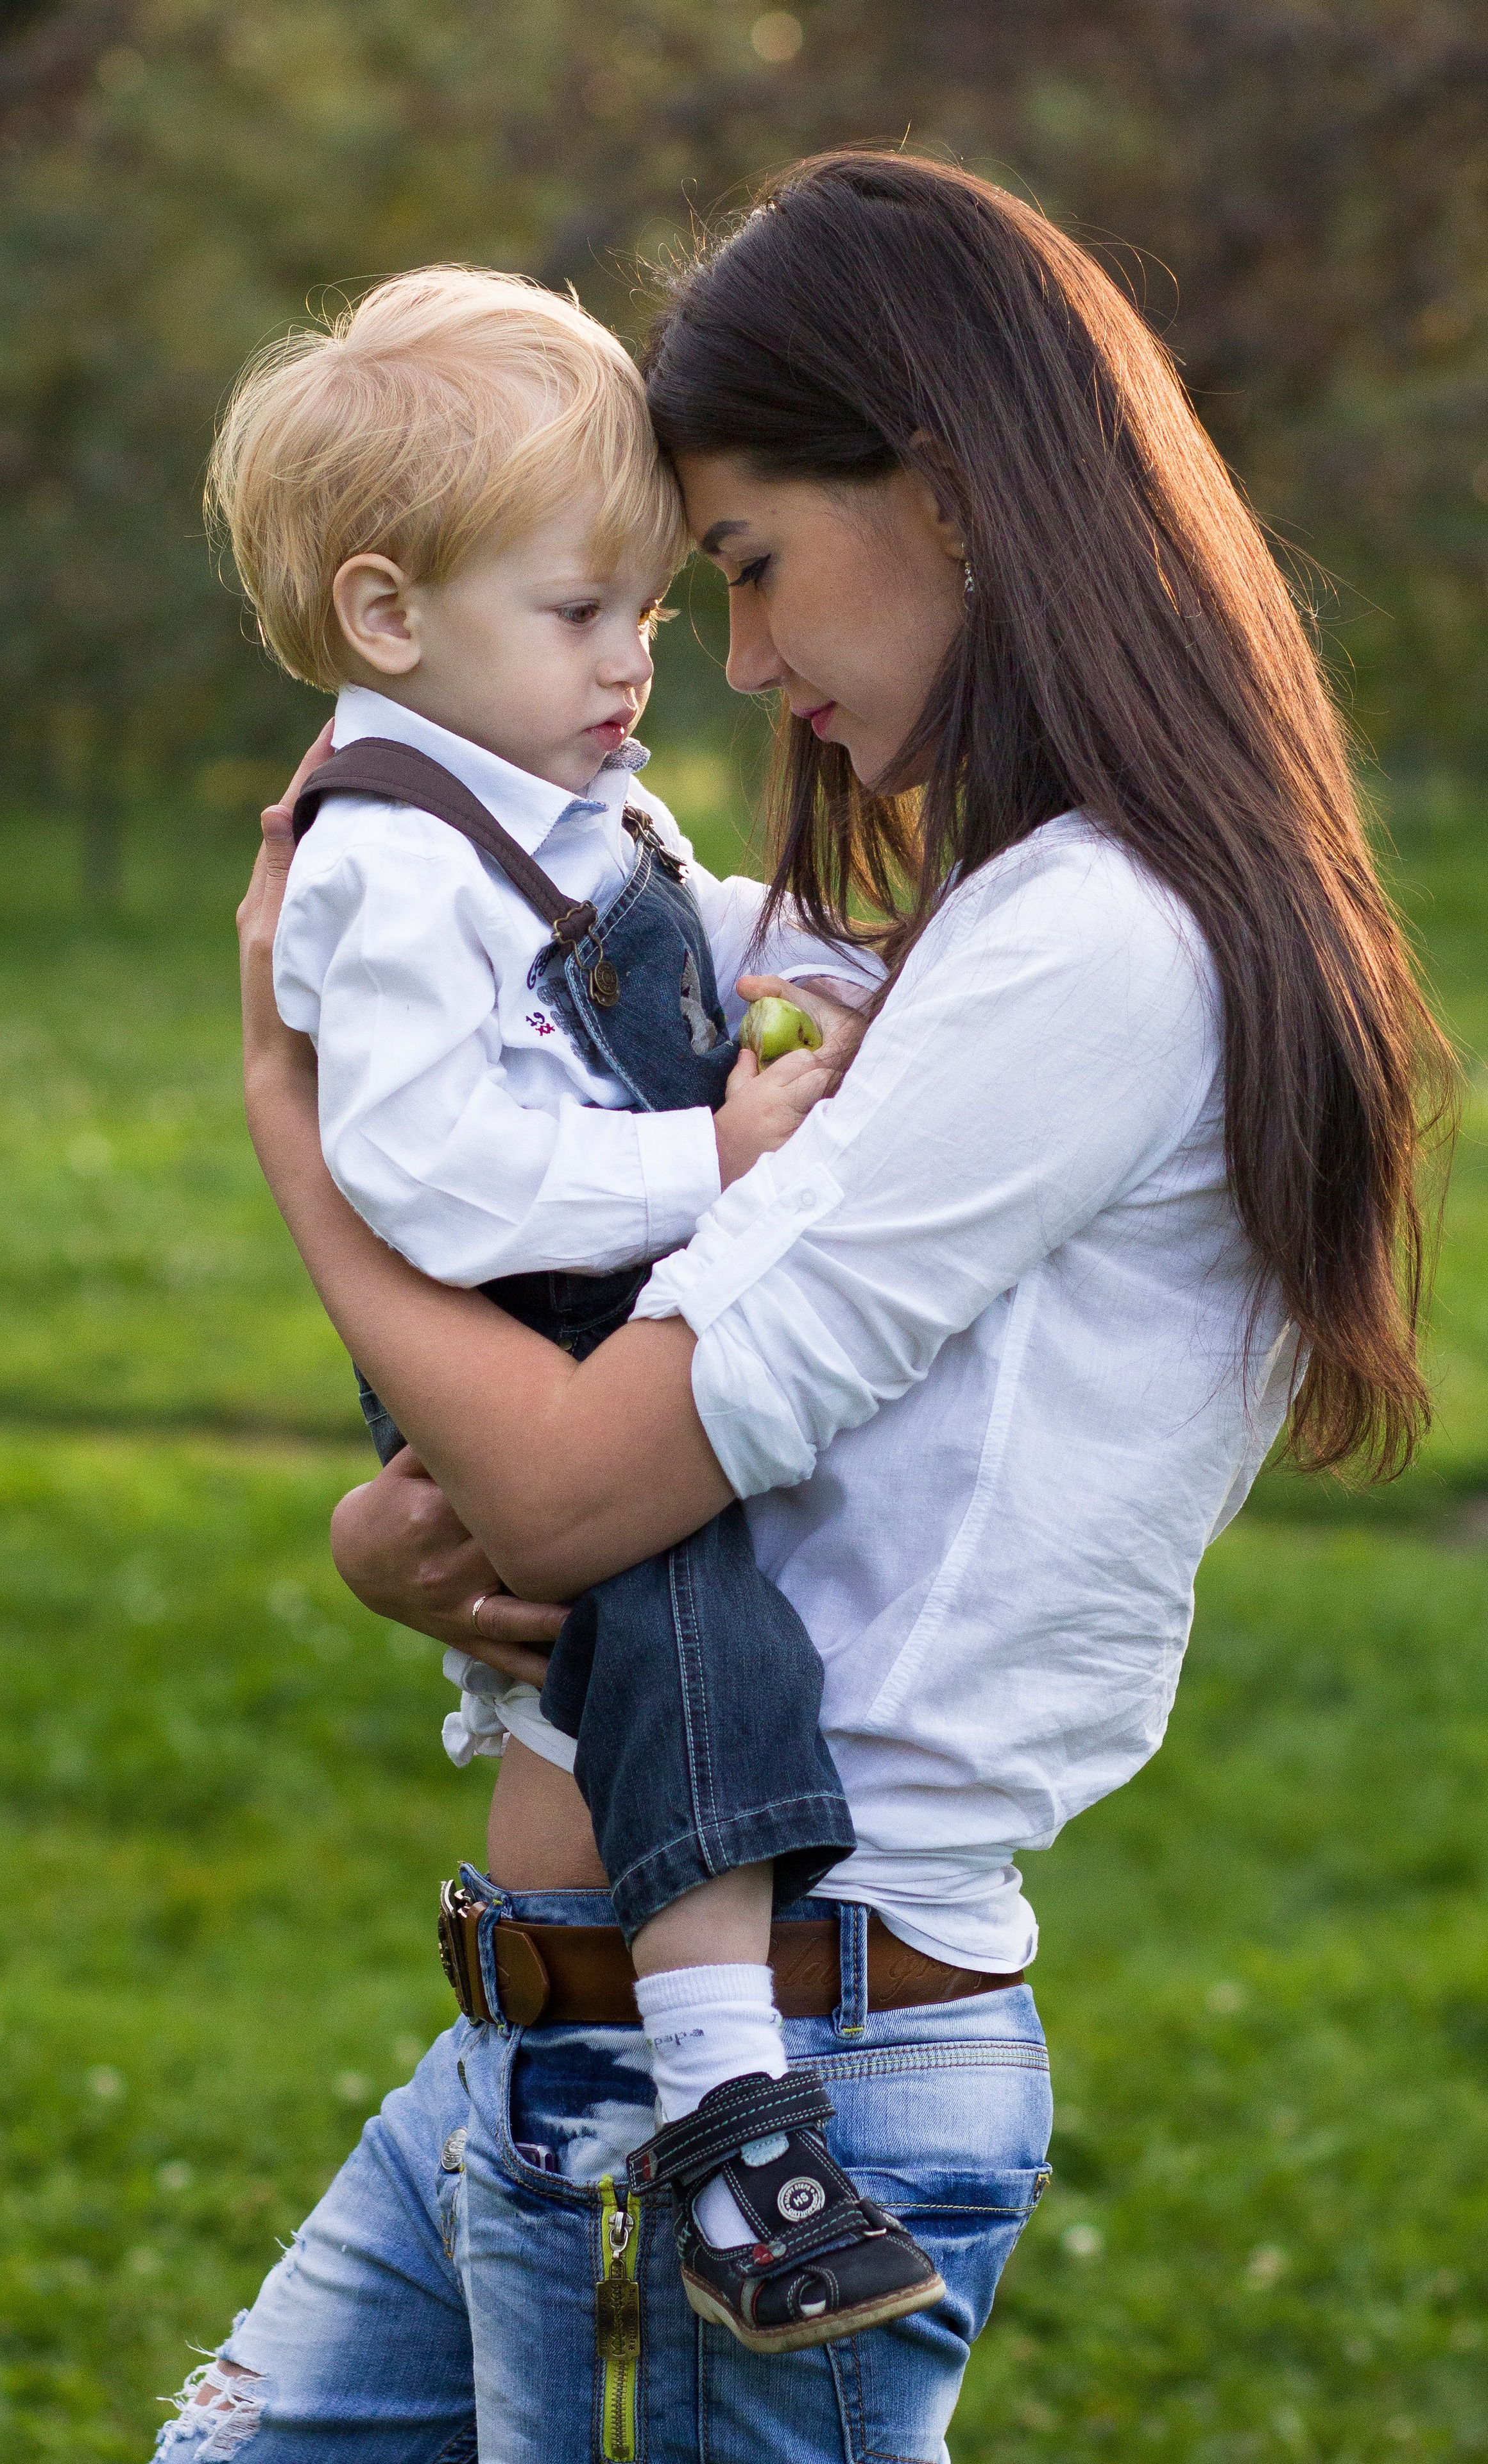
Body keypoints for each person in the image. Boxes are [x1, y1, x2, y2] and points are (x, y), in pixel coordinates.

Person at [158, 154, 1447, 2463]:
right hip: (556, 2053)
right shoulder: (995, 921)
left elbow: (566, 1491)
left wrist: (291, 1119)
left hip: (787, 2076)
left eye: (745, 567)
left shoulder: (1094, 947)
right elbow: (606, 1492)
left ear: (945, 491)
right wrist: (398, 1538)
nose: (729, 663)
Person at [205, 263, 940, 2348]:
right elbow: (425, 1169)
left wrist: (827, 956)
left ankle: (706, 2095)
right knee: (697, 1659)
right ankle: (732, 2126)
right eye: (583, 610)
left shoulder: (560, 796)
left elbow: (664, 926)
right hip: (515, 1329)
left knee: (678, 1671)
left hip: (596, 1315)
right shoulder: (382, 861)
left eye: (647, 608)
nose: (641, 662)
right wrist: (706, 1164)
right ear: (386, 618)